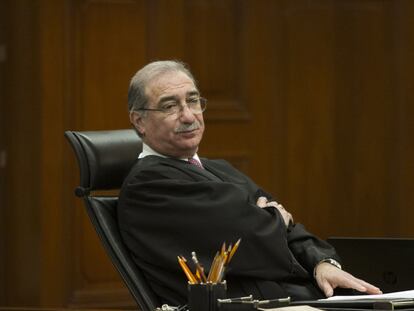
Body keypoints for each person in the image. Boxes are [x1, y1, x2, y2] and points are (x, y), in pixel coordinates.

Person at [118, 60, 381, 306]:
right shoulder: (148, 186)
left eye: (193, 100)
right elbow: (250, 240)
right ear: (139, 121)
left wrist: (321, 263)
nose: (188, 116)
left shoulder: (219, 168)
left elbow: (288, 228)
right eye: (169, 106)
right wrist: (274, 219)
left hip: (299, 299)